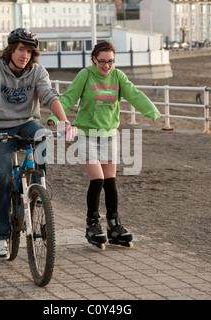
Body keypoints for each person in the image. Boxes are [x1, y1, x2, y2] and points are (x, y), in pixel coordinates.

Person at [47, 41, 161, 249]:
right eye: (102, 62)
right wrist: (55, 119)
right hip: (86, 134)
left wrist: (151, 111)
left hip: (109, 134)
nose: (107, 66)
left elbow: (133, 94)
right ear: (94, 59)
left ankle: (114, 226)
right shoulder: (86, 75)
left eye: (110, 61)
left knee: (110, 181)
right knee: (97, 179)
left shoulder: (118, 76)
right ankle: (92, 226)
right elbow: (68, 98)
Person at [0, 28, 73, 260]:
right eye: (21, 49)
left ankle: (37, 188)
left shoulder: (37, 71)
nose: (25, 55)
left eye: (29, 51)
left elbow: (49, 95)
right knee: (3, 176)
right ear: (11, 49)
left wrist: (65, 122)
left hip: (26, 123)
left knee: (43, 135)